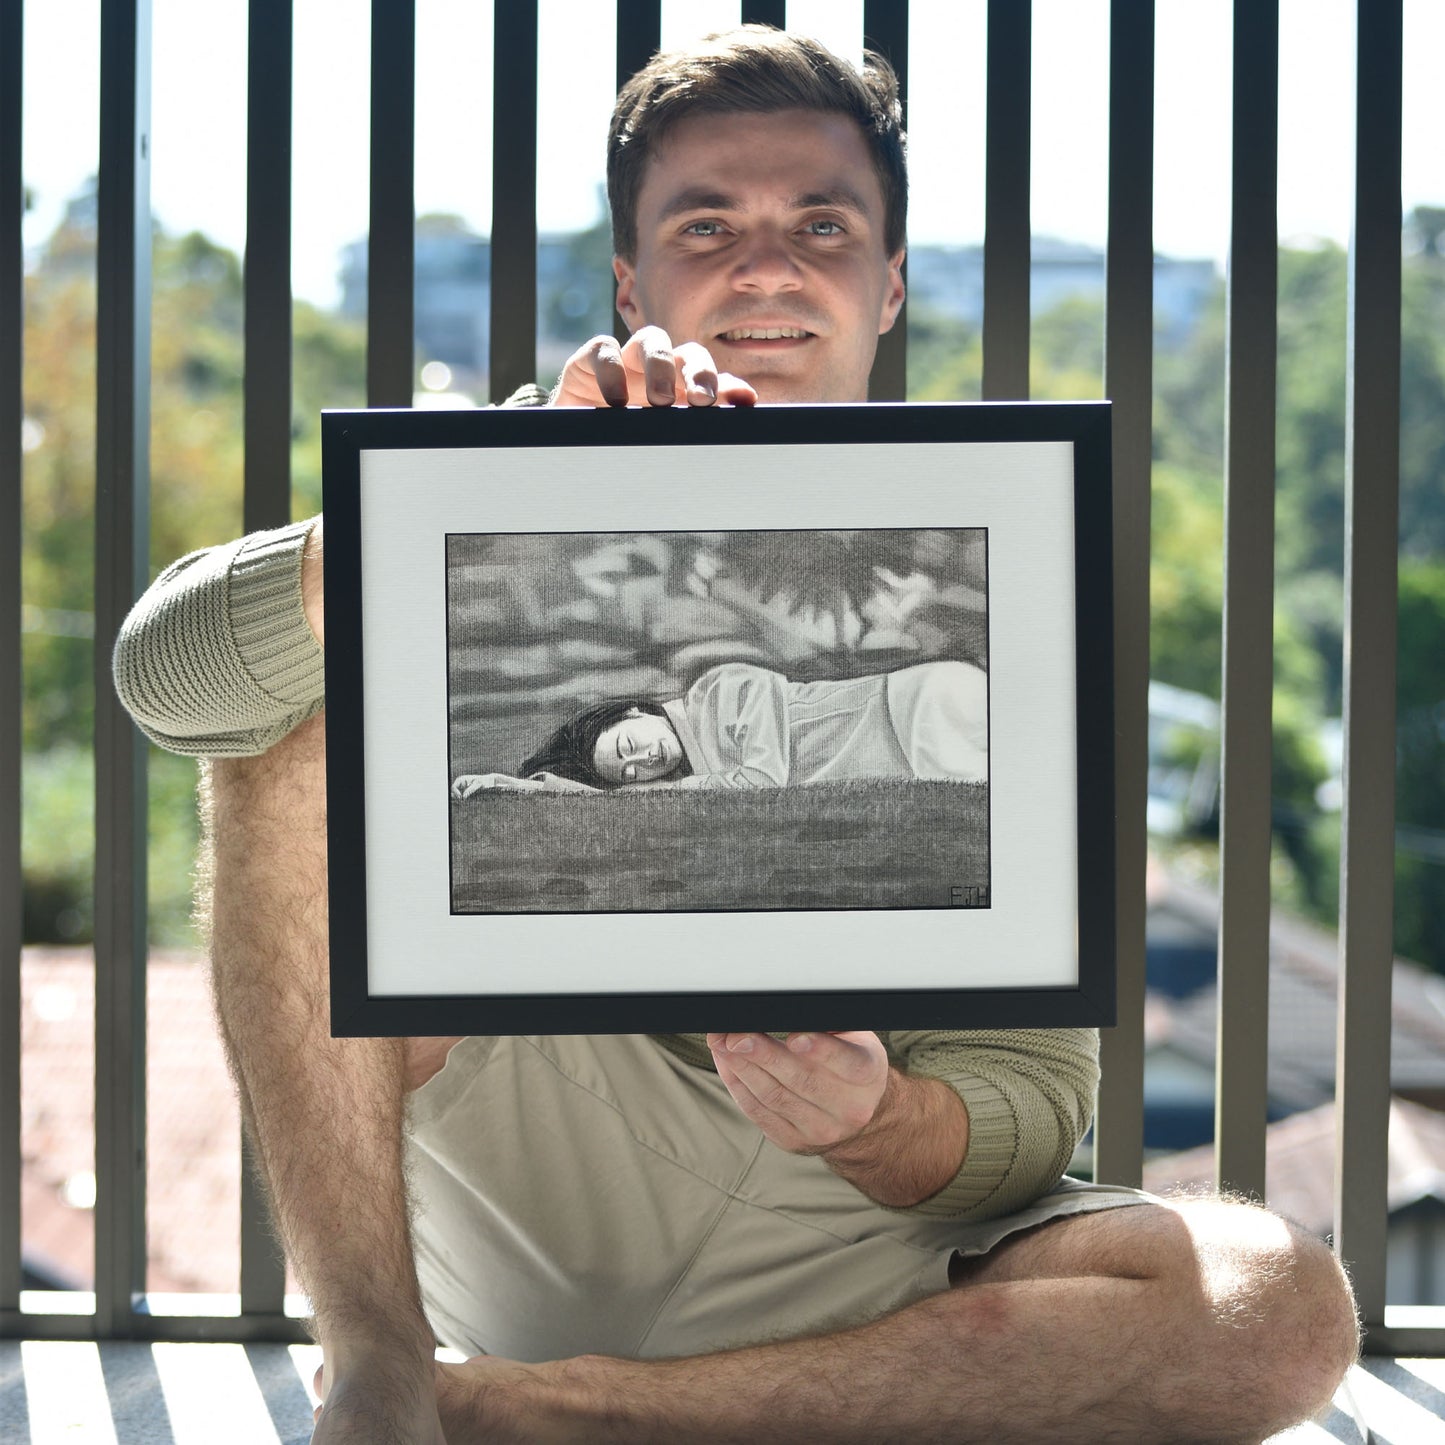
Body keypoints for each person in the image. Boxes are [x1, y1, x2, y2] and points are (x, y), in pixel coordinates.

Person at [113, 26, 1358, 1444]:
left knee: (1278, 1301)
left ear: (888, 283)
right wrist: (490, 490)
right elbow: (171, 684)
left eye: (820, 226)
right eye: (708, 227)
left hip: (878, 1252)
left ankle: (541, 1412)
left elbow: (1034, 1085)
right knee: (294, 720)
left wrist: (878, 1120)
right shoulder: (474, 494)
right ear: (631, 282)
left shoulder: (1000, 536)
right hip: (535, 1170)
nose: (767, 269)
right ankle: (381, 1364)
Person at [452, 658, 989, 794]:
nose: (643, 762)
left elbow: (763, 782)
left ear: (635, 712)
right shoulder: (693, 775)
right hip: (919, 752)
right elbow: (605, 803)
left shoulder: (722, 690)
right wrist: (518, 786)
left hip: (923, 710)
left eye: (630, 745)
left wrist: (641, 794)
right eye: (630, 773)